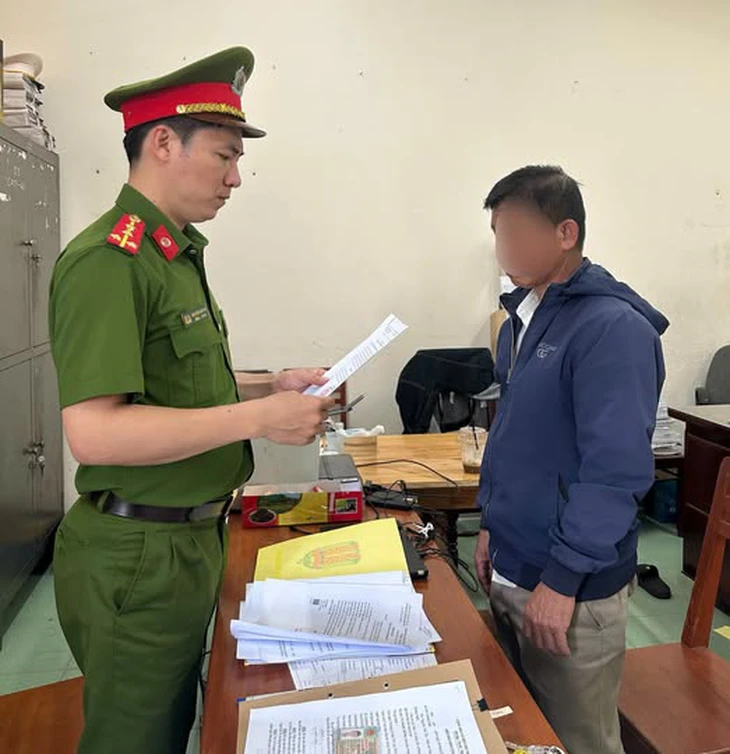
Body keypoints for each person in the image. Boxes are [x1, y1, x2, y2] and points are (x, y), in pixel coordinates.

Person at [49, 47, 334, 754]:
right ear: (163, 143)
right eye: (224, 155)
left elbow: (178, 387)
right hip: (138, 555)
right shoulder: (109, 262)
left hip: (188, 540)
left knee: (174, 725)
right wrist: (262, 419)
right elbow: (96, 433)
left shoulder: (171, 254)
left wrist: (271, 386)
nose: (235, 177)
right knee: (135, 739)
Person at [474, 165, 668, 753]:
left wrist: (561, 582)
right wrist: (490, 525)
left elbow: (614, 473)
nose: (504, 248)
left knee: (577, 738)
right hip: (513, 563)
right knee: (522, 732)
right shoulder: (522, 319)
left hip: (570, 589)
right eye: (498, 234)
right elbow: (518, 439)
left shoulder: (612, 328)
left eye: (516, 232)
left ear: (566, 233)